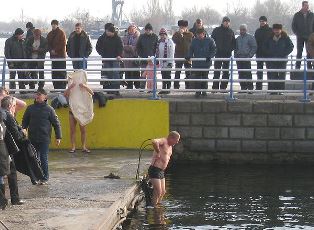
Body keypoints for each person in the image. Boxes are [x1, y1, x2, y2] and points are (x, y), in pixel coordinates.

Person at [22, 88, 62, 184]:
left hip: (44, 138)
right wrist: (23, 130)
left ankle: (44, 177)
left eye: (40, 94)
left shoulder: (49, 109)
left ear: (45, 97)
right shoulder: (30, 108)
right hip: (32, 138)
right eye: (37, 94)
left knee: (43, 157)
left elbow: (56, 124)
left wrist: (58, 137)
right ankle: (35, 176)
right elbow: (25, 121)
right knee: (34, 158)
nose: (37, 96)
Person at [0, 96, 25, 205]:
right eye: (14, 106)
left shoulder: (2, 113)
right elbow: (16, 135)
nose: (15, 108)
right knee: (11, 174)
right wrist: (23, 133)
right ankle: (12, 199)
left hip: (4, 149)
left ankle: (5, 200)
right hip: (6, 149)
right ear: (10, 106)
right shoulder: (8, 115)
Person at [148, 131, 180, 206]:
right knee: (158, 191)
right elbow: (154, 141)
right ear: (171, 138)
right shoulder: (164, 141)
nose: (177, 142)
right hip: (155, 169)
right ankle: (153, 208)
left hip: (161, 171)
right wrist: (158, 151)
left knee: (163, 192)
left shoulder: (170, 147)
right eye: (176, 140)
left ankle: (157, 205)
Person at [264, 24, 294, 95]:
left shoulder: (285, 37)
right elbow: (264, 46)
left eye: (278, 29)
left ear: (281, 30)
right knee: (272, 75)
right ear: (273, 30)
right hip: (272, 59)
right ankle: (272, 91)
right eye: (275, 29)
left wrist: (284, 53)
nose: (276, 31)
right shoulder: (269, 37)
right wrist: (269, 53)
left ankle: (280, 91)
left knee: (281, 75)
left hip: (282, 60)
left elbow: (291, 47)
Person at [64, 81, 93, 153]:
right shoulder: (71, 88)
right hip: (72, 111)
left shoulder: (83, 87)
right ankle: (73, 147)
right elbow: (65, 95)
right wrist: (70, 87)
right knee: (72, 130)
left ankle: (83, 146)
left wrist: (84, 86)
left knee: (83, 130)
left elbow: (92, 93)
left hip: (81, 112)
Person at [187, 28, 216, 97]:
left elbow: (213, 50)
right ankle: (198, 92)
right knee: (197, 78)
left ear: (204, 34)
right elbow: (191, 49)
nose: (199, 36)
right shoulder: (194, 41)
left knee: (205, 77)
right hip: (197, 63)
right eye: (198, 34)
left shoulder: (210, 40)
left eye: (200, 34)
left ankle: (204, 91)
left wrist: (210, 56)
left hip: (206, 63)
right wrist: (189, 56)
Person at [96, 24, 123, 95]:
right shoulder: (104, 38)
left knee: (116, 74)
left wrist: (119, 55)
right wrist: (102, 54)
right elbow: (99, 47)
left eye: (108, 31)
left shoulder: (118, 38)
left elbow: (120, 47)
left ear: (111, 32)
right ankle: (110, 89)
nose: (106, 32)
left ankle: (116, 89)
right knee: (108, 74)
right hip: (106, 59)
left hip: (115, 59)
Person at [211, 16, 236, 91]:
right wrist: (215, 49)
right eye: (225, 21)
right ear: (222, 22)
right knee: (217, 71)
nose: (226, 23)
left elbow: (233, 43)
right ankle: (215, 88)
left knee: (226, 72)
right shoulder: (216, 30)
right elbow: (212, 41)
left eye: (228, 22)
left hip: (227, 54)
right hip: (218, 54)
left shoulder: (231, 31)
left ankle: (223, 88)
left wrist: (230, 49)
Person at [235, 24, 257, 92]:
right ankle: (243, 88)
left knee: (248, 73)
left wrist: (250, 55)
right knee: (240, 73)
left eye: (243, 29)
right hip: (239, 58)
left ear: (246, 30)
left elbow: (254, 47)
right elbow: (235, 48)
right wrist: (236, 55)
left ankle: (250, 88)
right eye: (241, 29)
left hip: (246, 58)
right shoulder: (238, 38)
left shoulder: (250, 37)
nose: (242, 31)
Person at [292, 1, 314, 69]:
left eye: (308, 5)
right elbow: (293, 26)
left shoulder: (312, 15)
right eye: (305, 5)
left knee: (309, 52)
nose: (307, 7)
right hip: (300, 36)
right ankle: (297, 67)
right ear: (302, 6)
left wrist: (312, 34)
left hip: (310, 37)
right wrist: (297, 33)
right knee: (299, 52)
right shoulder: (297, 15)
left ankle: (309, 67)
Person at [172, 20, 193, 89]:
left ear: (186, 27)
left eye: (183, 27)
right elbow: (175, 41)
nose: (182, 28)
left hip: (188, 56)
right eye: (180, 27)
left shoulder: (190, 34)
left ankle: (188, 85)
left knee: (188, 72)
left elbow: (192, 44)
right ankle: (176, 86)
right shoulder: (176, 34)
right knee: (177, 72)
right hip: (179, 55)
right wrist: (181, 35)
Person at [136, 23, 158, 89]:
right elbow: (138, 46)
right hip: (143, 58)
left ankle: (153, 87)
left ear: (152, 30)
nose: (148, 31)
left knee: (152, 74)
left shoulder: (155, 37)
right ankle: (142, 87)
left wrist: (154, 56)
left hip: (152, 59)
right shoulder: (141, 37)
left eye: (149, 30)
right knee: (143, 73)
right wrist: (141, 55)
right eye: (146, 30)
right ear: (145, 30)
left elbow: (156, 47)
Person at [47, 20, 67, 90]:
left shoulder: (61, 33)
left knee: (62, 72)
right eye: (52, 24)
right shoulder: (49, 34)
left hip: (61, 56)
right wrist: (51, 51)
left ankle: (62, 87)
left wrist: (55, 50)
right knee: (54, 72)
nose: (53, 25)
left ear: (57, 25)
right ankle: (56, 87)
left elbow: (63, 43)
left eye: (55, 24)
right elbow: (48, 44)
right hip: (53, 57)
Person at [254, 16, 273, 91]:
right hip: (259, 53)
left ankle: (271, 87)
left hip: (269, 54)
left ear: (266, 21)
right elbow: (255, 42)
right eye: (261, 21)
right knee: (259, 71)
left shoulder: (270, 30)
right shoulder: (257, 31)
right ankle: (259, 87)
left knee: (270, 71)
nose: (262, 22)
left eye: (263, 21)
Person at [156, 28, 175, 94]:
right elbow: (158, 52)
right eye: (161, 35)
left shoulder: (170, 42)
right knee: (163, 75)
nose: (162, 36)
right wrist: (158, 60)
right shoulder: (159, 42)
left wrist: (170, 62)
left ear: (166, 35)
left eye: (163, 34)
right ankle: (164, 88)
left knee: (168, 75)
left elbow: (171, 52)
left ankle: (168, 88)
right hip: (162, 61)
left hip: (168, 61)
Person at [122, 24, 141, 89]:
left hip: (135, 57)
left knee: (136, 72)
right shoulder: (125, 37)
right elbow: (123, 46)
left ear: (135, 30)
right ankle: (129, 85)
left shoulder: (138, 37)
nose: (131, 31)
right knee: (128, 72)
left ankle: (137, 86)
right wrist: (130, 47)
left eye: (132, 29)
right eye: (129, 29)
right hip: (127, 58)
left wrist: (130, 47)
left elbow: (137, 47)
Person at [0, 112, 10, 210]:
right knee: (1, 178)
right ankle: (2, 202)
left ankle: (2, 201)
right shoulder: (2, 124)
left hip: (1, 152)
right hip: (2, 151)